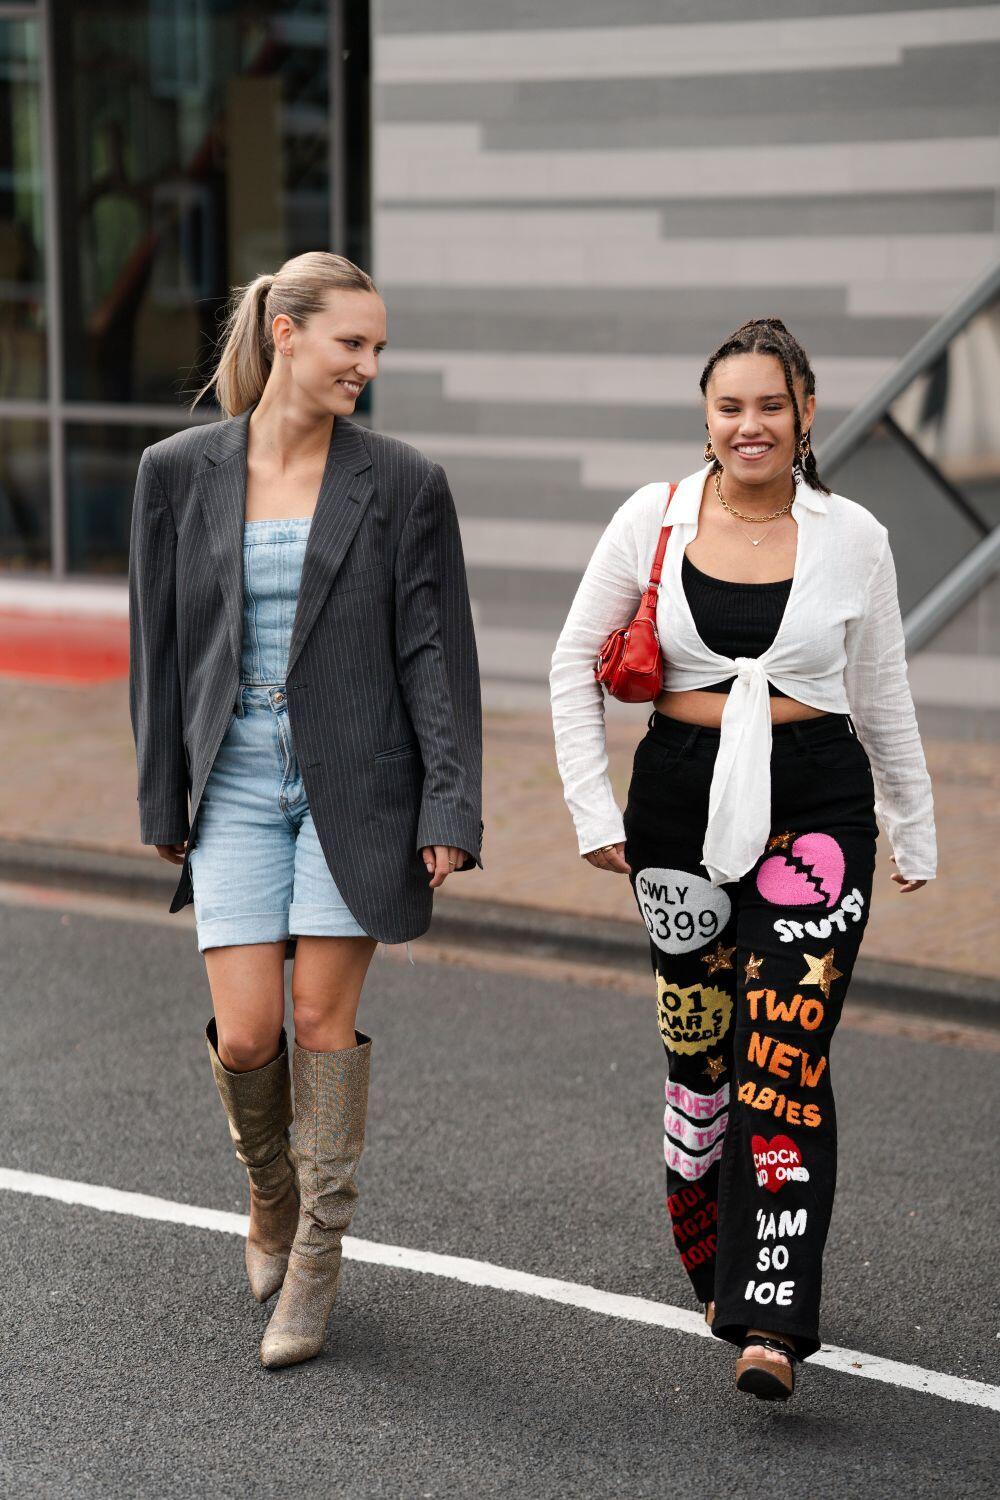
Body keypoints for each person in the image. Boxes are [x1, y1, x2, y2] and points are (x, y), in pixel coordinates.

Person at [549, 317, 936, 1401]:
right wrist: (591, 807)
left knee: (784, 1057)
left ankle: (771, 1315)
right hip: (677, 804)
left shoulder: (852, 534)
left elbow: (884, 690)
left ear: (806, 411)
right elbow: (571, 659)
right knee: (701, 1060)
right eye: (730, 407)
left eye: (771, 405)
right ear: (706, 415)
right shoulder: (656, 517)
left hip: (815, 802)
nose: (749, 425)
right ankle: (709, 1244)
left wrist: (914, 822)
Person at [128, 251, 483, 1369]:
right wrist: (160, 793)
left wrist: (448, 803)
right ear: (286, 332)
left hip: (358, 784)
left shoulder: (404, 480)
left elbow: (433, 652)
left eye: (377, 350)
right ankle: (271, 1193)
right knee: (246, 1031)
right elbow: (160, 651)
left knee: (323, 1024)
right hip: (232, 778)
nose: (367, 368)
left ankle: (318, 1260)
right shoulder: (177, 473)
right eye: (351, 345)